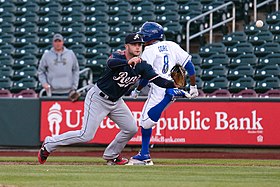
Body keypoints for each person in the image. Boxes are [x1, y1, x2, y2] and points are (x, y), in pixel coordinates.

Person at [38, 33, 189, 165]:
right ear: (126, 46)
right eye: (134, 44)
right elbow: (111, 63)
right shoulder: (118, 56)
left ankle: (112, 155)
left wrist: (174, 84)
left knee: (131, 128)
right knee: (86, 135)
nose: (138, 47)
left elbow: (158, 80)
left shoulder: (143, 66)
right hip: (98, 98)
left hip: (116, 101)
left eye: (140, 45)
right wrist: (127, 62)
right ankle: (49, 144)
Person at [129, 22, 199, 165]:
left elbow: (145, 74)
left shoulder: (148, 50)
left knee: (145, 121)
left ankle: (144, 155)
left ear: (150, 35)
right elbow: (189, 66)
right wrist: (193, 86)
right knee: (148, 122)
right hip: (172, 84)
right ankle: (144, 153)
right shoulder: (172, 45)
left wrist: (137, 90)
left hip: (160, 88)